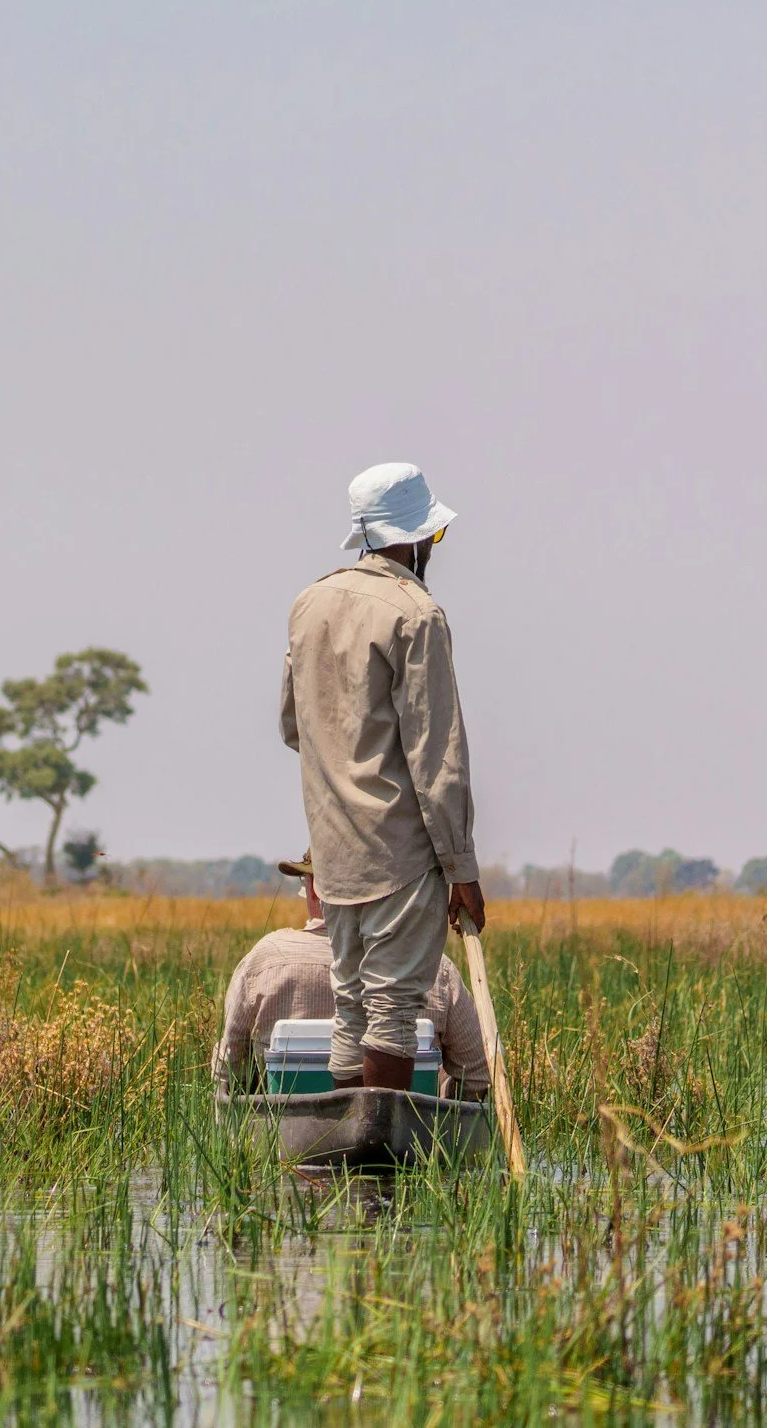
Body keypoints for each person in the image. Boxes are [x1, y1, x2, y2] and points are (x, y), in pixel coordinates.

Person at [280, 462, 484, 1092]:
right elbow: (438, 758)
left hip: (336, 854)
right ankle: (378, 1164)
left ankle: (341, 1167)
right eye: (435, 538)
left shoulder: (309, 604)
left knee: (352, 1007)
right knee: (394, 1010)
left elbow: (293, 727)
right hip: (401, 851)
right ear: (417, 538)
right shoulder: (417, 614)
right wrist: (463, 871)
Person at [213, 857, 490, 1098]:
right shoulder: (435, 968)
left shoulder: (265, 959)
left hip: (286, 1139)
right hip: (410, 1141)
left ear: (315, 890)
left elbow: (229, 1071)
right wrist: (440, 1105)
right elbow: (478, 1076)